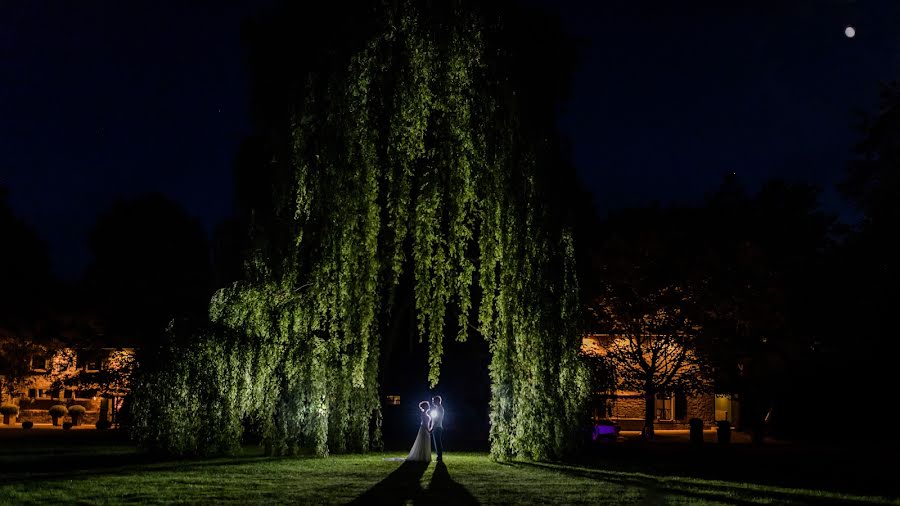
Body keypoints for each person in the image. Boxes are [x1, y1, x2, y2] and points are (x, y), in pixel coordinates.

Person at [429, 395, 444, 462]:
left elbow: (437, 420)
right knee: (437, 443)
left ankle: (440, 456)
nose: (433, 402)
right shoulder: (438, 408)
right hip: (437, 427)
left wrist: (432, 428)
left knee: (438, 443)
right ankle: (439, 456)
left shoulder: (439, 408)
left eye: (434, 401)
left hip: (437, 427)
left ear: (437, 401)